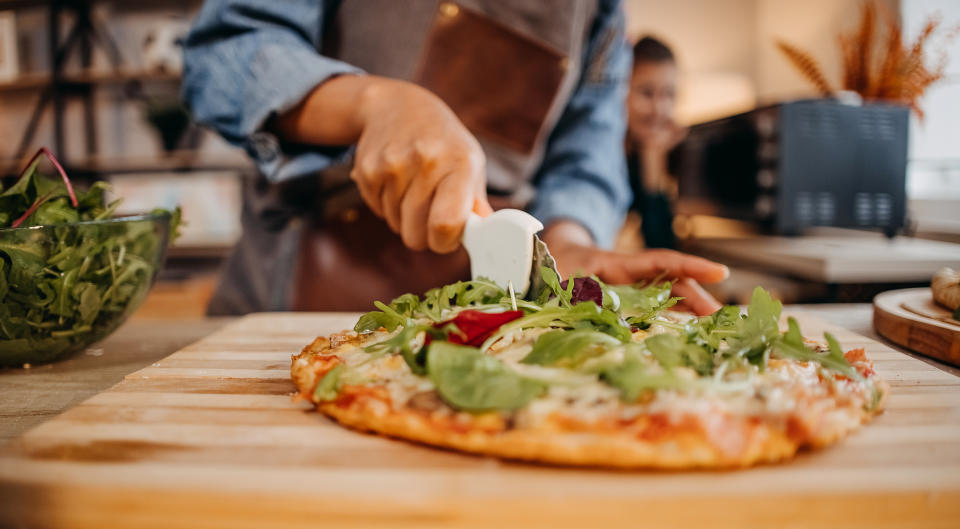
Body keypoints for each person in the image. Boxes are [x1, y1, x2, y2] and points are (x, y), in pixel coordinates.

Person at [181, 1, 727, 316]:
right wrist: (371, 104)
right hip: (291, 297)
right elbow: (222, 56)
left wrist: (569, 245)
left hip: (503, 318)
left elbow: (587, 150)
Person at [626, 36, 685, 250]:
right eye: (646, 93)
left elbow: (662, 245)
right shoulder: (602, 156)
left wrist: (652, 161)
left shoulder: (673, 151)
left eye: (668, 94)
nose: (659, 109)